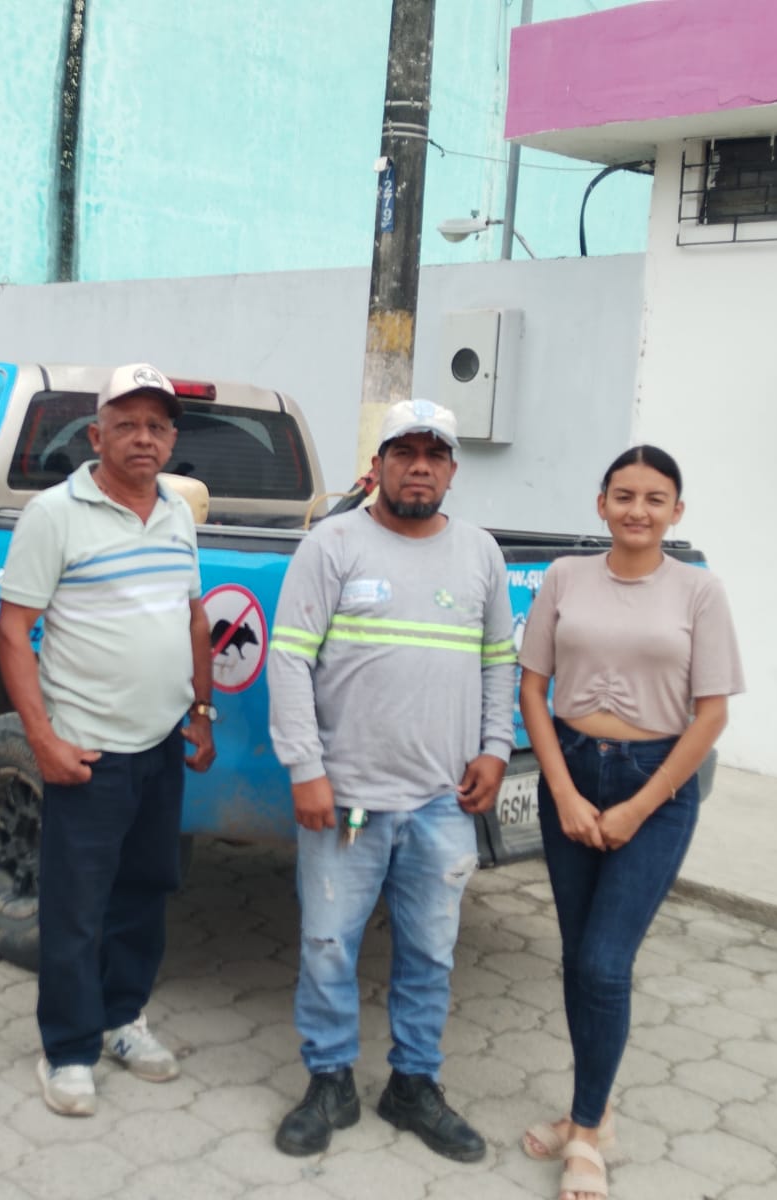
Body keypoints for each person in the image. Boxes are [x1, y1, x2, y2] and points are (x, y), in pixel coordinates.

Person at [268, 398, 516, 1162]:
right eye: (403, 453)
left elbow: (497, 661)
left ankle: (413, 1083)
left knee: (430, 952)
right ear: (375, 465)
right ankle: (329, 1080)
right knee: (327, 944)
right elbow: (288, 657)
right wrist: (305, 769)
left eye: (433, 454)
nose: (418, 467)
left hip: (442, 801)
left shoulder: (479, 553)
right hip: (346, 798)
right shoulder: (332, 543)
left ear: (451, 469)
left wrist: (495, 749)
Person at [517, 445, 743, 1200]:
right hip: (572, 773)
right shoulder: (564, 577)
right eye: (623, 495)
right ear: (601, 503)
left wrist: (637, 807)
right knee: (576, 955)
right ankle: (595, 1112)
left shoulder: (699, 591)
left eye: (653, 498)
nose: (636, 510)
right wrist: (564, 792)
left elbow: (710, 714)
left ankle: (585, 1134)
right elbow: (533, 689)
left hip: (656, 786)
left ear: (676, 510)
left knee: (605, 965)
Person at [0, 362, 216, 1117]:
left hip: (160, 746)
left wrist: (201, 712)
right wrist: (42, 739)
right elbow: (14, 633)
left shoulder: (177, 513)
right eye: (127, 425)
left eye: (157, 426)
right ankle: (67, 1050)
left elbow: (193, 618)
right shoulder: (54, 515)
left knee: (145, 892)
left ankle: (124, 1019)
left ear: (172, 439)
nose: (143, 438)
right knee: (75, 907)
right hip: (86, 752)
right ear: (96, 435)